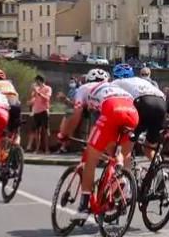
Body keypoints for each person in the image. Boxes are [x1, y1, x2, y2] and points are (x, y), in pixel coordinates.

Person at [57, 68, 139, 221]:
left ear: (87, 79)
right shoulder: (115, 87)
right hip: (132, 112)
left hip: (112, 109)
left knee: (90, 158)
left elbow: (76, 114)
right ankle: (120, 177)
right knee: (117, 150)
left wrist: (65, 134)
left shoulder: (83, 88)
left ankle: (84, 206)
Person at [111, 63, 167, 162]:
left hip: (143, 103)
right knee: (149, 148)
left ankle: (125, 175)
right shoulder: (140, 80)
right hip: (161, 103)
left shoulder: (117, 82)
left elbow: (114, 103)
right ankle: (161, 169)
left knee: (126, 148)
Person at [0, 69, 21, 152]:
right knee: (16, 129)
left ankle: (0, 149)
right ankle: (16, 146)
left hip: (3, 104)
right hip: (16, 104)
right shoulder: (9, 83)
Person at [29, 75, 52, 154]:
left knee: (45, 131)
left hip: (44, 111)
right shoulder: (36, 89)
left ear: (40, 81)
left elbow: (47, 98)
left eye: (37, 81)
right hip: (36, 112)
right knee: (37, 132)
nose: (36, 83)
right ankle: (37, 149)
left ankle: (47, 149)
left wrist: (38, 92)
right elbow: (33, 99)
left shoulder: (47, 88)